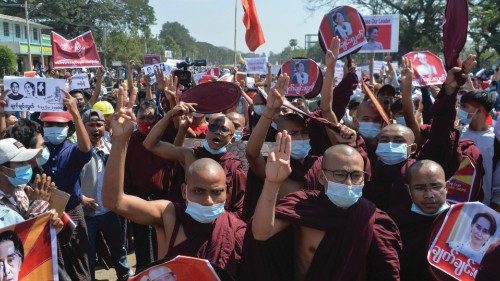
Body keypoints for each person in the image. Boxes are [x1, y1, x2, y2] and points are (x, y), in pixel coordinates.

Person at [102, 93, 246, 279]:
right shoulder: (170, 215)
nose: (208, 200)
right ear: (184, 190)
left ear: (226, 192)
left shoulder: (235, 228)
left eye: (217, 191)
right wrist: (120, 142)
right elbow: (114, 201)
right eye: (198, 190)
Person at [241, 138, 402, 280]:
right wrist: (272, 183)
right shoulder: (302, 205)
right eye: (340, 174)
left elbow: (385, 271)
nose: (348, 183)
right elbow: (261, 234)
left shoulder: (370, 217)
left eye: (355, 175)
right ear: (321, 177)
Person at [144, 105, 247, 216]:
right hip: (186, 220)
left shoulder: (233, 166)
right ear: (206, 131)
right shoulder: (190, 155)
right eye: (213, 127)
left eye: (224, 129)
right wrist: (170, 115)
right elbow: (150, 144)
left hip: (217, 224)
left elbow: (239, 208)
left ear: (232, 138)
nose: (218, 132)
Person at [40, 89, 92, 281]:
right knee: (55, 263)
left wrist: (76, 115)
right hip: (45, 214)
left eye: (58, 124)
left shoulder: (71, 150)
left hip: (72, 211)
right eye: (48, 124)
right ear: (42, 126)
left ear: (67, 126)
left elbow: (86, 150)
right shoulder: (37, 150)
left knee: (79, 260)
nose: (53, 127)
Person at [80, 109, 131, 281]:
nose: (96, 129)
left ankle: (125, 276)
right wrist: (80, 197)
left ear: (105, 126)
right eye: (91, 125)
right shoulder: (77, 150)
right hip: (89, 213)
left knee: (119, 248)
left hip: (110, 210)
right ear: (83, 126)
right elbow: (69, 180)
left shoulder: (111, 145)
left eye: (99, 124)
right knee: (89, 253)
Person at [390, 160, 450, 281]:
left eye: (435, 186)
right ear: (408, 190)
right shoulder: (395, 221)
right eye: (420, 188)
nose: (429, 195)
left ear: (446, 187)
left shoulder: (461, 219)